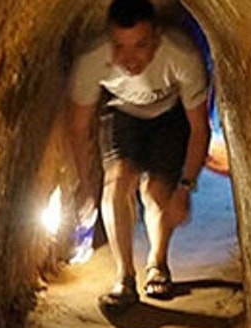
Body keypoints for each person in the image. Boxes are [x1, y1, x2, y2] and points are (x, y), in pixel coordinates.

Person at [67, 0, 211, 308]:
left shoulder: (181, 55)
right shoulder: (93, 59)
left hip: (170, 114)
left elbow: (199, 128)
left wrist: (185, 188)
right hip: (122, 112)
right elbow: (79, 129)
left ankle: (157, 264)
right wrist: (86, 185)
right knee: (117, 183)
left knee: (157, 191)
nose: (129, 59)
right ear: (109, 39)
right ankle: (124, 278)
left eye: (140, 45)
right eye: (120, 46)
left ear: (157, 37)